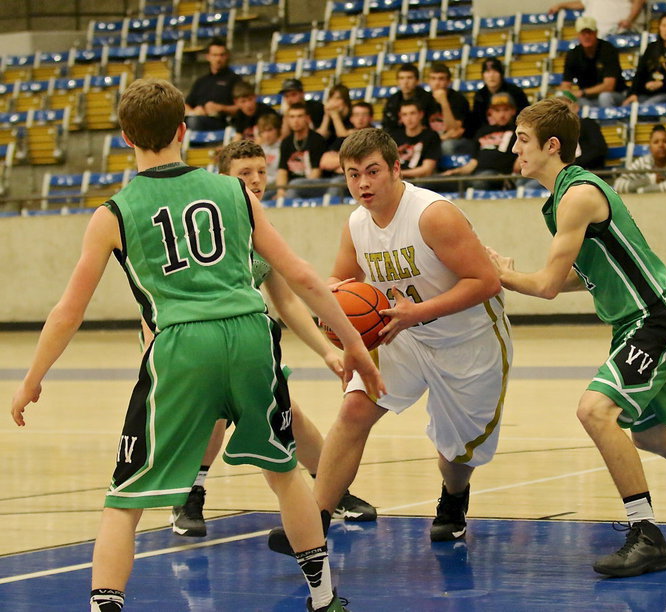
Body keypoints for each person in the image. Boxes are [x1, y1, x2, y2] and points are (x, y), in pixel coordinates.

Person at [10, 78, 385, 612]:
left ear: (124, 137)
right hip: (252, 335)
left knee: (126, 498)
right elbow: (300, 274)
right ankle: (324, 598)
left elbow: (69, 311)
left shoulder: (112, 214)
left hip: (181, 344)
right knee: (285, 472)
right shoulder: (234, 192)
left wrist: (32, 379)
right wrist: (354, 349)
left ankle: (104, 605)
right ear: (184, 130)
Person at [488, 98, 666, 578]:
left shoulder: (577, 196)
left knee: (594, 411)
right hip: (637, 322)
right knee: (651, 432)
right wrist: (517, 274)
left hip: (653, 320)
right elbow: (581, 274)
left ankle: (646, 535)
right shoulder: (560, 201)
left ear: (552, 146)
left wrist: (502, 276)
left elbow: (548, 287)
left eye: (523, 139)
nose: (515, 147)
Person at [266, 127, 513, 557]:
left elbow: (487, 281)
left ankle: (454, 499)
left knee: (456, 455)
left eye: (373, 172)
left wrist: (417, 312)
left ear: (396, 168)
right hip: (401, 335)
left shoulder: (432, 215)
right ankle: (313, 523)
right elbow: (340, 280)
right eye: (353, 174)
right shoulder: (357, 224)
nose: (363, 184)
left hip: (467, 339)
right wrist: (333, 308)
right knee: (354, 408)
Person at [169, 140, 378, 539]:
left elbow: (287, 301)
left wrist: (328, 351)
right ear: (222, 180)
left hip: (246, 341)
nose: (256, 181)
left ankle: (332, 492)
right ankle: (188, 496)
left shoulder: (259, 229)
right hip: (197, 340)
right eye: (244, 174)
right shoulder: (203, 229)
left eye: (261, 172)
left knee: (289, 414)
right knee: (216, 413)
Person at [442, 92, 520, 190]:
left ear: (513, 111)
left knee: (479, 181)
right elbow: (473, 162)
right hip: (477, 174)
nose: (502, 114)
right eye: (497, 110)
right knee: (439, 182)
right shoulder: (483, 131)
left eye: (505, 110)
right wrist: (456, 172)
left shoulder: (518, 131)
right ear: (491, 112)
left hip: (500, 175)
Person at [561, 16, 626, 108]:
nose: (587, 36)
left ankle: (609, 122)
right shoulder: (573, 54)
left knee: (605, 97)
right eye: (583, 33)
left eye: (589, 32)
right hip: (586, 98)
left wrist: (582, 92)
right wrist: (569, 95)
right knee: (567, 101)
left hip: (614, 94)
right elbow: (565, 85)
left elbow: (609, 86)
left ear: (596, 33)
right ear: (578, 35)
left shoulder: (607, 50)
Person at [614, 124, 666, 193]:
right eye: (656, 142)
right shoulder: (643, 162)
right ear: (650, 147)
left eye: (665, 141)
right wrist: (650, 179)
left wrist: (641, 191)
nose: (661, 145)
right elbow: (618, 186)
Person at [184, 39, 241, 131]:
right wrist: (193, 112)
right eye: (215, 55)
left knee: (193, 122)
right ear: (208, 57)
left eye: (221, 55)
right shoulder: (201, 81)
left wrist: (221, 108)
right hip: (197, 117)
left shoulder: (235, 79)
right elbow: (187, 104)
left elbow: (242, 108)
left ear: (227, 56)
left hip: (221, 121)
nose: (218, 59)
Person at [276, 102, 329, 200]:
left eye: (299, 116)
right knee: (266, 195)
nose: (296, 121)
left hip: (312, 184)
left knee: (294, 187)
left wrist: (298, 188)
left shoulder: (317, 140)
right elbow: (282, 170)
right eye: (292, 117)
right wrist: (281, 191)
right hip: (291, 186)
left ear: (307, 118)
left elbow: (316, 172)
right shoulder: (286, 142)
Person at [469, 58, 529, 137]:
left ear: (501, 74)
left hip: (514, 131)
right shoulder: (480, 95)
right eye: (487, 72)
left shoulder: (515, 91)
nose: (491, 75)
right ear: (482, 75)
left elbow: (525, 115)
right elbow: (477, 121)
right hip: (488, 132)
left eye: (495, 71)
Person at [427, 62, 472, 156]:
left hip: (459, 141)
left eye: (441, 79)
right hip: (435, 139)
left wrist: (444, 102)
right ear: (429, 81)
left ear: (448, 82)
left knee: (446, 146)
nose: (437, 83)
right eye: (433, 78)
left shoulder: (459, 99)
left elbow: (454, 129)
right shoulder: (424, 99)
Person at [556, 90, 608, 171]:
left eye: (564, 107)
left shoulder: (587, 124)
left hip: (588, 171)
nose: (561, 111)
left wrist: (574, 164)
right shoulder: (556, 132)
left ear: (576, 108)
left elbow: (599, 149)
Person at [390, 99, 442, 179]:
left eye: (412, 113)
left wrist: (398, 173)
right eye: (404, 114)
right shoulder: (394, 137)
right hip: (397, 180)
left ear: (421, 114)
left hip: (420, 182)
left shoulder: (431, 136)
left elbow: (427, 170)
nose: (409, 118)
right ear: (400, 117)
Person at [381, 62, 437, 133]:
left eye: (409, 78)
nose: (405, 82)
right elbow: (387, 125)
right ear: (397, 81)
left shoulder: (428, 99)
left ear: (417, 81)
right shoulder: (392, 101)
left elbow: (434, 123)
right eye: (402, 78)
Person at [548, 0, 646, 38]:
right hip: (594, 34)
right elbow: (582, 3)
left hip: (621, 32)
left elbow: (639, 1)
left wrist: (629, 19)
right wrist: (560, 5)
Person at [253, 113, 282, 199]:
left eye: (270, 130)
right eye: (263, 131)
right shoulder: (258, 150)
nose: (267, 135)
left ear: (277, 130)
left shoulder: (283, 148)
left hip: (275, 187)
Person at [316, 84, 354, 148]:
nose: (333, 102)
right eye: (331, 98)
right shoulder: (325, 115)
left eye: (338, 98)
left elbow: (342, 137)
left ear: (346, 101)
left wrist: (335, 115)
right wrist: (326, 115)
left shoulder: (353, 116)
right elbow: (320, 137)